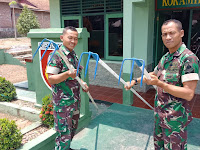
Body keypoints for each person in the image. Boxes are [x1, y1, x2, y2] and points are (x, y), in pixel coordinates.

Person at [125, 19, 199, 150]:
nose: (168, 37)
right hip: (160, 117)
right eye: (164, 34)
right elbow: (152, 75)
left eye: (172, 33)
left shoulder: (188, 59)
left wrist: (160, 84)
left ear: (181, 33)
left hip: (175, 122)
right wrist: (134, 81)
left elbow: (189, 94)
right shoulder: (165, 57)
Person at [46, 26, 89, 150]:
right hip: (63, 104)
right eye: (70, 38)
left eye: (75, 39)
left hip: (74, 101)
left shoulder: (73, 55)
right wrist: (66, 74)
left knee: (72, 130)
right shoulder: (56, 56)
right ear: (62, 38)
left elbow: (75, 76)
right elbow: (51, 79)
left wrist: (83, 83)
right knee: (63, 133)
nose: (73, 41)